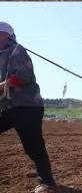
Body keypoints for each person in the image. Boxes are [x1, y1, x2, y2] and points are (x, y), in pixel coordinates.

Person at [0, 22, 57, 193]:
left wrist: (3, 85)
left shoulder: (17, 50)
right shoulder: (1, 55)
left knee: (33, 146)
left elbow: (24, 76)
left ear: (7, 35)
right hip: (9, 107)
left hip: (27, 106)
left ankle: (47, 181)